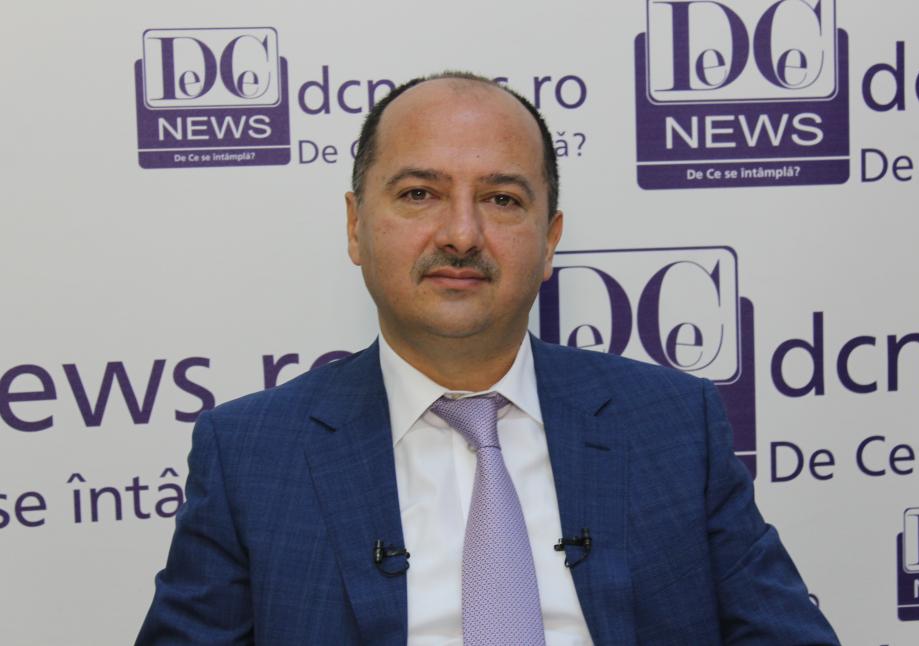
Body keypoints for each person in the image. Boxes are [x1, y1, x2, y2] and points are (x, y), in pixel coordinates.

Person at [136, 72, 840, 645]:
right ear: (355, 226)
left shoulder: (674, 423)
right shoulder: (250, 454)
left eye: (502, 199)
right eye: (419, 194)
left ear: (549, 239)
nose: (462, 234)